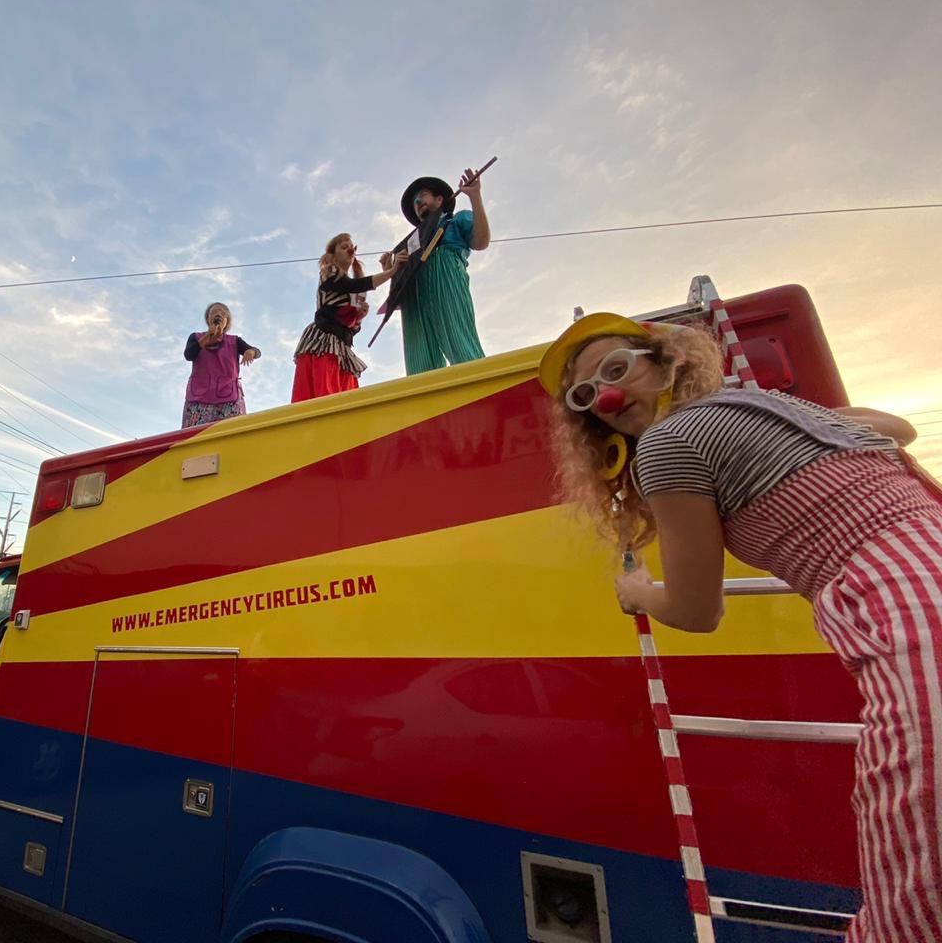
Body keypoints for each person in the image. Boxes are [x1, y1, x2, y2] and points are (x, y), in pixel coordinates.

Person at [537, 312, 942, 942]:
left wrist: (639, 592)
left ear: (665, 361)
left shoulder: (665, 447)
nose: (608, 399)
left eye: (617, 371)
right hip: (927, 554)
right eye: (586, 396)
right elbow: (899, 428)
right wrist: (816, 423)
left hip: (909, 601)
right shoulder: (760, 406)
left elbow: (698, 611)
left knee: (917, 875)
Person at [383, 168, 490, 376]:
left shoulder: (456, 220)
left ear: (439, 199)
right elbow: (401, 283)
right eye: (415, 201)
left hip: (445, 274)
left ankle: (481, 384)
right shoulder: (411, 243)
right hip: (415, 290)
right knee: (419, 358)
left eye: (423, 195)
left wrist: (475, 197)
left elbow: (481, 242)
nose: (417, 202)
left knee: (459, 341)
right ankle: (427, 393)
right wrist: (391, 272)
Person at [291, 234, 406, 402]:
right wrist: (391, 272)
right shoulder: (329, 272)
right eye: (343, 247)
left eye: (351, 247)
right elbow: (350, 285)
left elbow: (350, 327)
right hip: (323, 341)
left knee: (346, 395)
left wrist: (359, 318)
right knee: (326, 393)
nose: (349, 250)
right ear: (332, 255)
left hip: (341, 345)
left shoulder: (356, 290)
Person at [181, 302, 261, 428]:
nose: (218, 314)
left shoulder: (234, 341)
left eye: (222, 314)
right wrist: (208, 336)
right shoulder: (196, 337)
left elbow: (256, 351)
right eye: (214, 312)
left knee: (232, 434)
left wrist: (251, 352)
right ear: (208, 319)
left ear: (227, 322)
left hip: (229, 399)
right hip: (198, 399)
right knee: (197, 435)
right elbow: (189, 355)